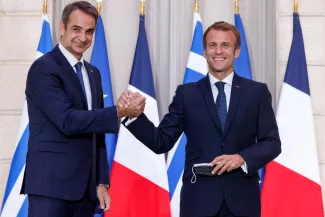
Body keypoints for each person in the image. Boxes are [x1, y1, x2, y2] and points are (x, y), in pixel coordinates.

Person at [121, 21, 281, 217]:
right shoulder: (186, 94)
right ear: (204, 51)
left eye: (225, 45)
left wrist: (241, 158)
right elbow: (161, 141)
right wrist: (133, 116)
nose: (218, 51)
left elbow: (272, 143)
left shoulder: (257, 92)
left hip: (242, 202)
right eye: (212, 45)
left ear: (237, 51)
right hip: (198, 202)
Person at [20, 1, 145, 217]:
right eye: (76, 29)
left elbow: (96, 132)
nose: (83, 37)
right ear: (62, 28)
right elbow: (67, 121)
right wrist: (119, 111)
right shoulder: (44, 68)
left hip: (85, 191)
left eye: (89, 31)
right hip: (51, 188)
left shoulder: (93, 73)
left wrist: (102, 182)